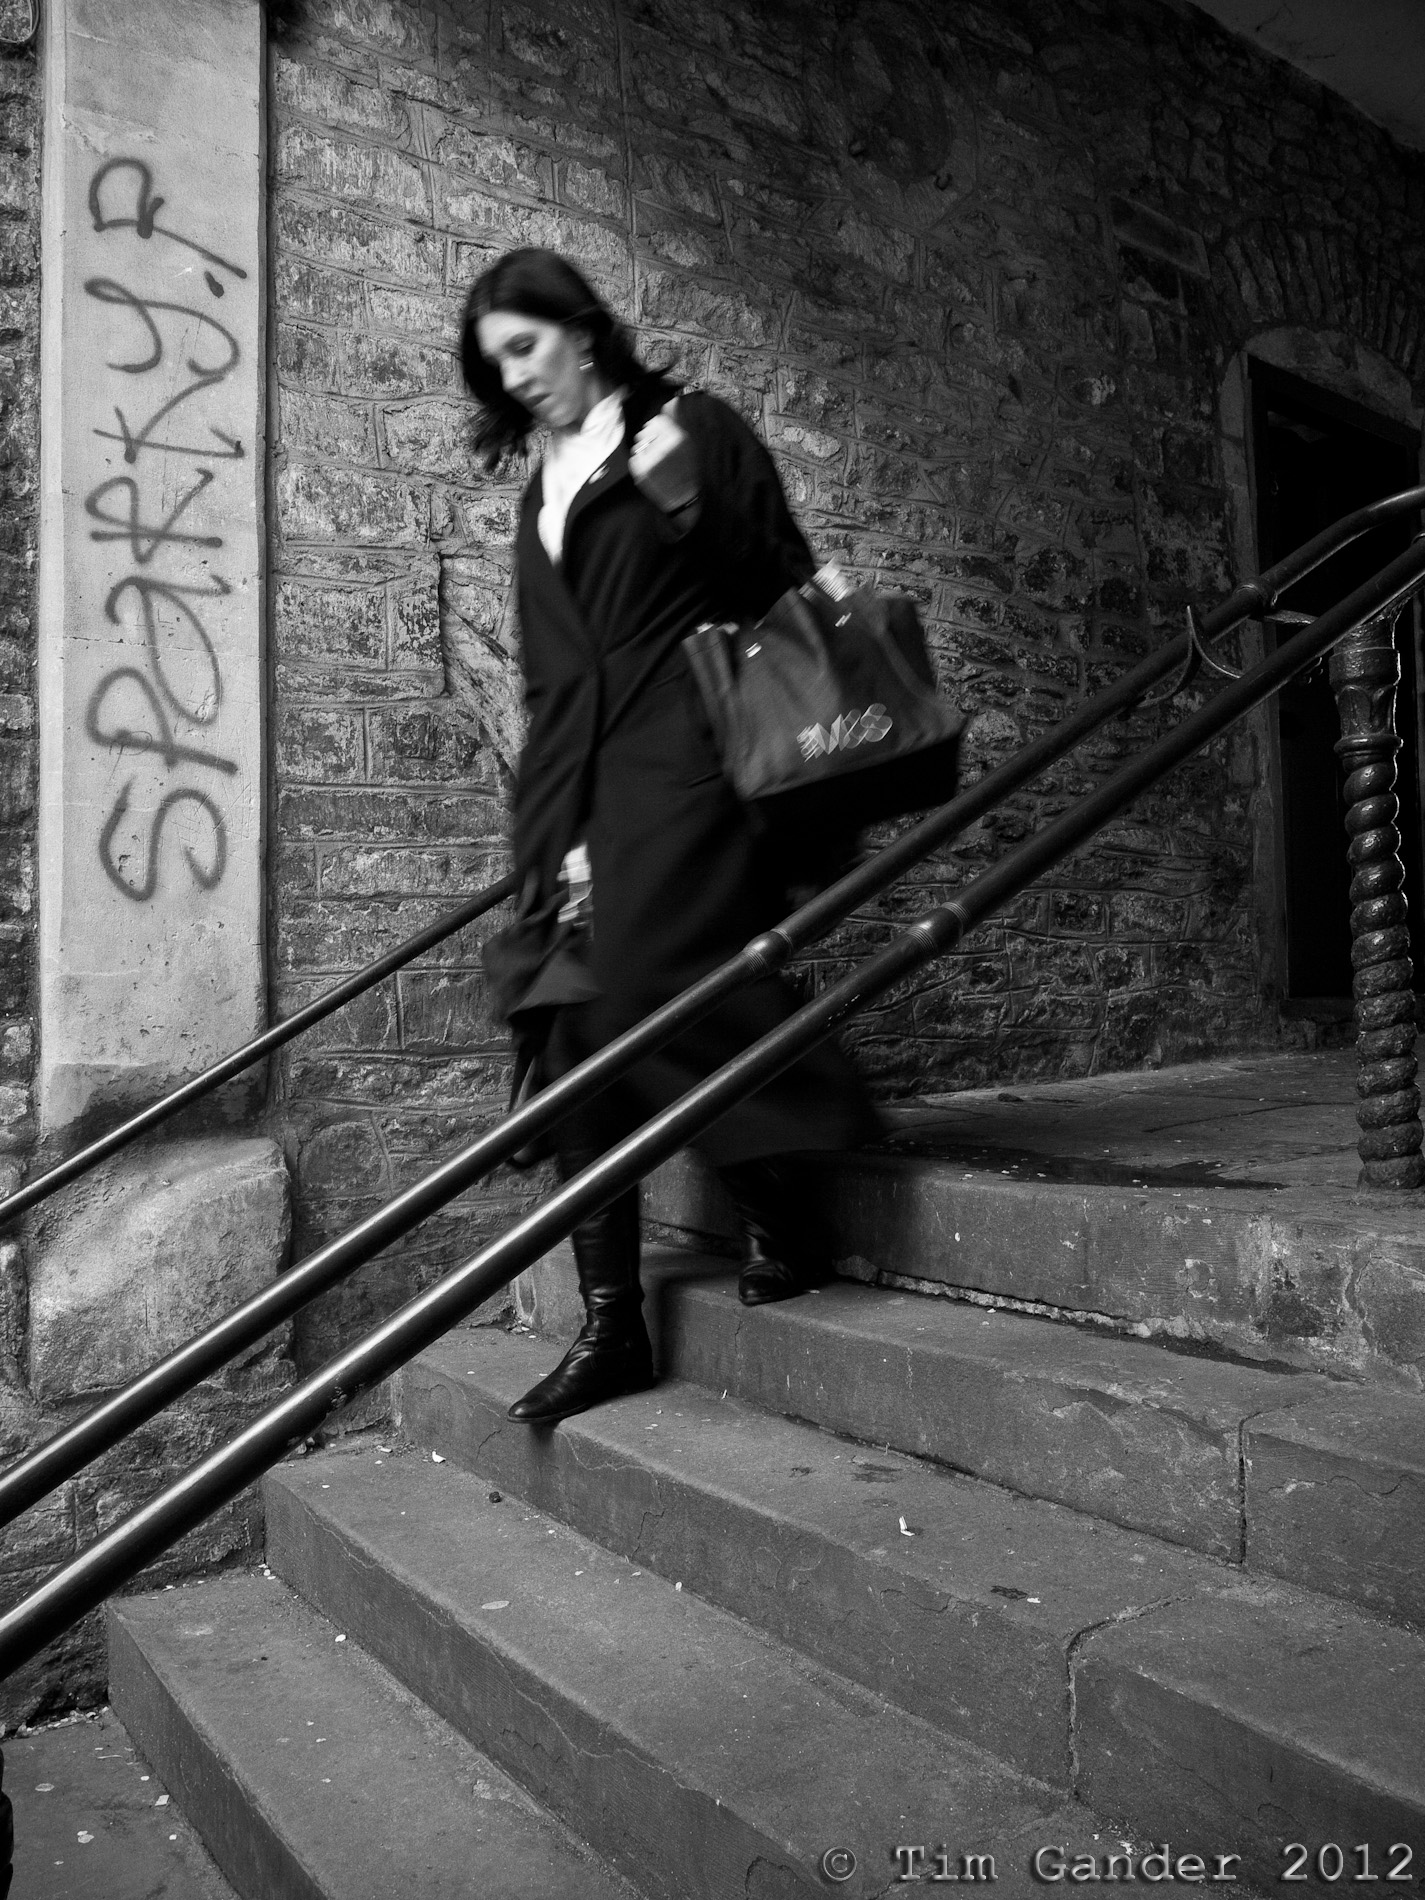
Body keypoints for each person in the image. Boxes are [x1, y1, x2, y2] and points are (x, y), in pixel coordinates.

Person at [460, 248, 879, 1427]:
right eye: (497, 364)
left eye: (526, 346)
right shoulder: (535, 487)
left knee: (653, 984)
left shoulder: (687, 427)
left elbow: (781, 577)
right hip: (573, 776)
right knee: (569, 1007)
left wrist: (684, 489)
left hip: (685, 755)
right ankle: (616, 1323)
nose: (517, 376)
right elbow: (551, 668)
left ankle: (786, 1194)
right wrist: (553, 825)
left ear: (582, 329)